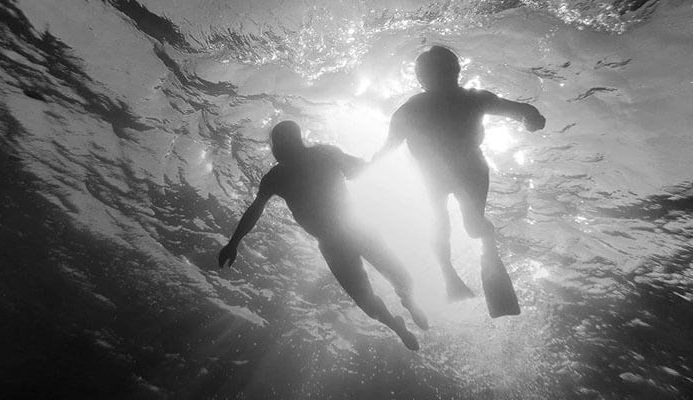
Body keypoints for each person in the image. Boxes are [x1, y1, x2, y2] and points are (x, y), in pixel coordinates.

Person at [219, 121, 428, 351]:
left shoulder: (323, 154)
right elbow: (255, 210)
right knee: (366, 301)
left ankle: (410, 302)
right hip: (332, 244)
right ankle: (396, 326)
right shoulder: (275, 177)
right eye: (275, 144)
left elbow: (359, 169)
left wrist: (368, 165)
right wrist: (233, 242)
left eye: (281, 142)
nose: (277, 149)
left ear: (297, 141)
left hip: (356, 227)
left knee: (400, 276)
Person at [373, 45, 546, 317]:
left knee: (454, 223)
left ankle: (460, 269)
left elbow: (387, 149)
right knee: (461, 224)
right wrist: (531, 116)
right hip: (457, 171)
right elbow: (518, 109)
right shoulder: (454, 102)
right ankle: (461, 268)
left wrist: (530, 116)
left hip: (457, 171)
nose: (441, 77)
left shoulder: (424, 106)